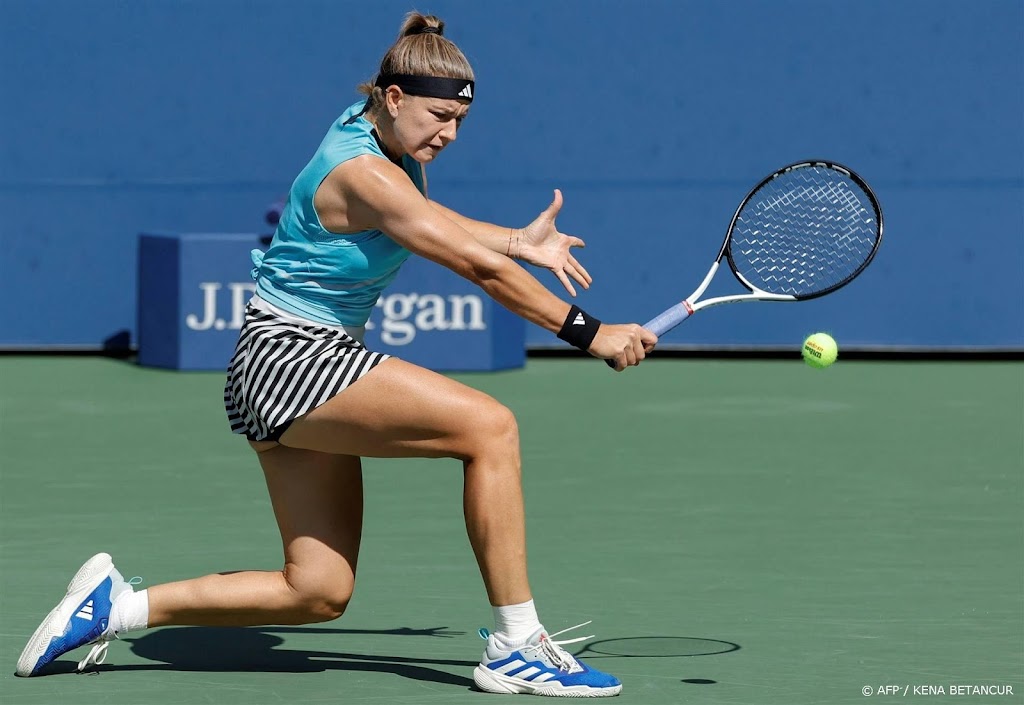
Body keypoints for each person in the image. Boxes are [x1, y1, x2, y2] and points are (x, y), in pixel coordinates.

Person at [16, 12, 656, 697]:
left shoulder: (380, 141)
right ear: (393, 96)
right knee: (490, 427)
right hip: (293, 358)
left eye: (461, 121)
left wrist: (516, 241)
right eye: (439, 115)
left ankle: (113, 606)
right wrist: (591, 331)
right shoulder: (366, 174)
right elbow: (475, 268)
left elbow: (434, 227)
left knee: (317, 590)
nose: (449, 133)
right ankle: (516, 644)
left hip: (272, 366)